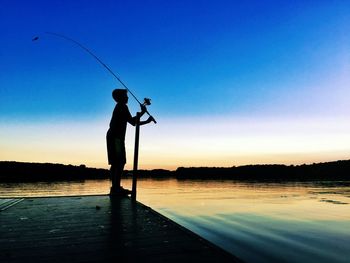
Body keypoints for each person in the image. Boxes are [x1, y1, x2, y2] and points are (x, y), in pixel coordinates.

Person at [106, 89, 153, 195]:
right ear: (120, 97)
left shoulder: (121, 106)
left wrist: (143, 115)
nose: (127, 98)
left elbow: (132, 121)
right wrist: (144, 116)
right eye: (125, 96)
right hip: (115, 137)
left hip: (115, 137)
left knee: (118, 162)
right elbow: (132, 122)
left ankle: (116, 188)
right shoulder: (122, 106)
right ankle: (116, 188)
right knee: (119, 162)